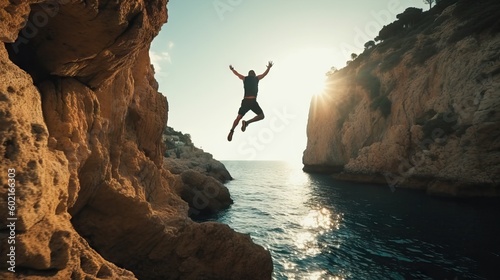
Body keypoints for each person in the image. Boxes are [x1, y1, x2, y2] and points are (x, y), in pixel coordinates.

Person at [227, 61, 274, 141]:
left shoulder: (245, 78)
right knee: (261, 116)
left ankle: (233, 129)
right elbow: (264, 74)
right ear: (254, 74)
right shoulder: (256, 78)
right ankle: (246, 123)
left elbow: (237, 74)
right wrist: (268, 68)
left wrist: (232, 69)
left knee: (238, 117)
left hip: (246, 101)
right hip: (252, 102)